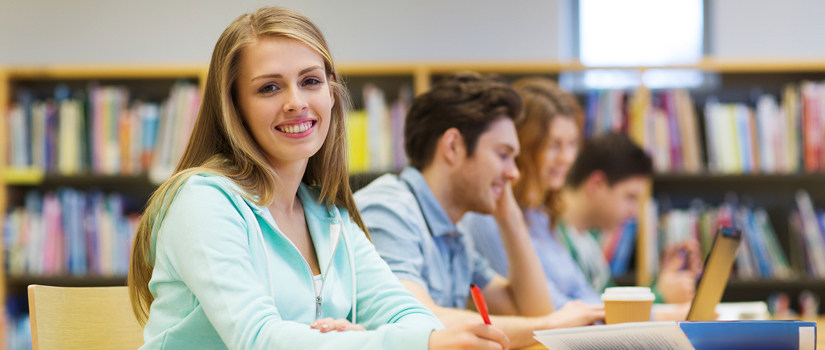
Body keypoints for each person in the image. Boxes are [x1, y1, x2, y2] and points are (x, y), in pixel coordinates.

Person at [127, 7, 510, 349]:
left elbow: (415, 318)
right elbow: (259, 340)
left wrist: (365, 340)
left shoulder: (330, 217)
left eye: (310, 81)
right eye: (269, 87)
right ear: (235, 108)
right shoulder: (202, 201)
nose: (296, 101)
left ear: (331, 94)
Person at [355, 73, 603, 349]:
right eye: (503, 154)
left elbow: (530, 309)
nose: (514, 173)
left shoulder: (455, 233)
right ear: (453, 147)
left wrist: (511, 220)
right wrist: (548, 326)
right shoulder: (390, 209)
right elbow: (414, 321)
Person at [461, 77, 602, 309]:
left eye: (572, 144)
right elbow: (545, 311)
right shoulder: (490, 217)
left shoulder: (540, 215)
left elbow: (583, 292)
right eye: (554, 145)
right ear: (523, 147)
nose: (567, 157)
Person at [557, 132, 701, 305]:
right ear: (597, 184)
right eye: (630, 197)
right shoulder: (553, 237)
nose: (634, 213)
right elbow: (597, 318)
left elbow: (607, 305)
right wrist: (660, 296)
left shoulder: (587, 239)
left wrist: (662, 285)